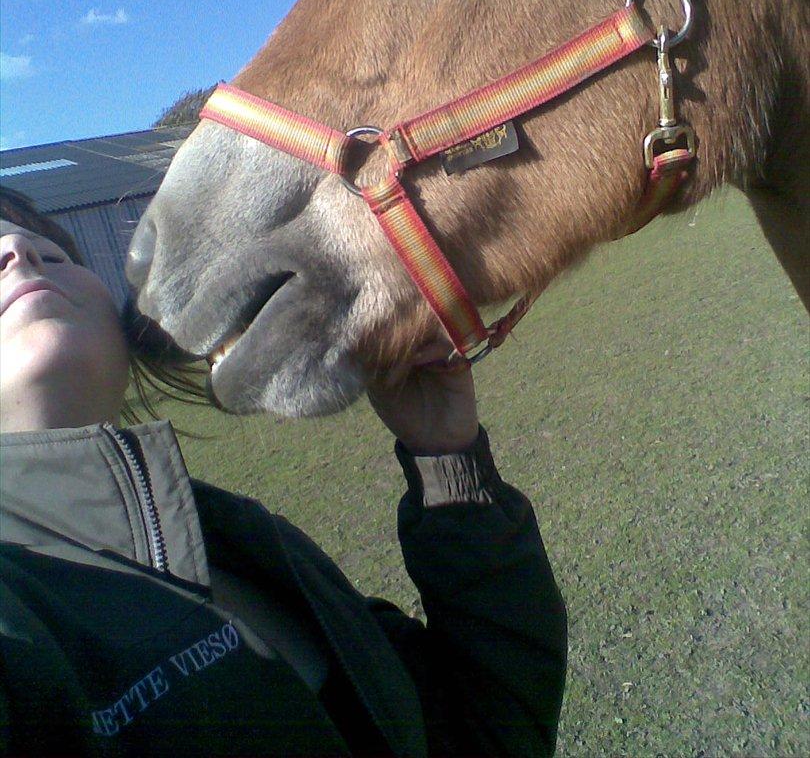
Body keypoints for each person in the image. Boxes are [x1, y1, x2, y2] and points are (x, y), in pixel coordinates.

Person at [0, 187, 567, 757]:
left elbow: (490, 730)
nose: (19, 247)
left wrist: (447, 457)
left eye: (56, 254)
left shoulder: (249, 544)